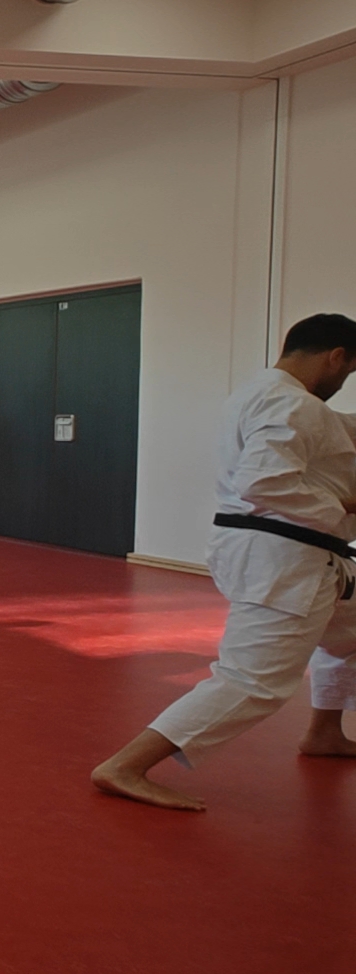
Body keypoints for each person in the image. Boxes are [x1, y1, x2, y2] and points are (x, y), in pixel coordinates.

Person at [91, 313, 356, 811]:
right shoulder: (292, 404)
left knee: (351, 637)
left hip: (287, 556)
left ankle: (325, 731)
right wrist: (346, 505)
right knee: (253, 680)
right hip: (286, 561)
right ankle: (125, 765)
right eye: (350, 372)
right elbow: (264, 483)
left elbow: (335, 434)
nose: (345, 383)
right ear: (336, 357)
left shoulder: (265, 393)